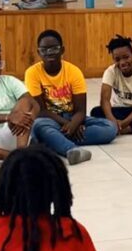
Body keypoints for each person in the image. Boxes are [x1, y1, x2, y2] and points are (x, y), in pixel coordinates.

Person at [26, 29, 118, 165]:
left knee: (110, 128)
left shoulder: (74, 71)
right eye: (44, 50)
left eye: (54, 49)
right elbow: (41, 111)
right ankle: (71, 149)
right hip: (49, 119)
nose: (50, 53)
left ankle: (53, 139)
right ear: (39, 52)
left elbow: (81, 110)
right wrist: (69, 125)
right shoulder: (32, 73)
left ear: (62, 50)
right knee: (38, 125)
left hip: (71, 116)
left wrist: (75, 123)